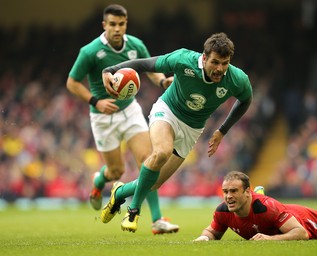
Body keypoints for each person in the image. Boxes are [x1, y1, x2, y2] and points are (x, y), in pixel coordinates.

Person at [100, 32, 253, 233]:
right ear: (204, 57)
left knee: (154, 183)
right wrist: (111, 70)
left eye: (224, 63)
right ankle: (133, 210)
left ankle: (119, 193)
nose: (219, 69)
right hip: (168, 111)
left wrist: (222, 131)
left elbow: (246, 100)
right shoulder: (183, 59)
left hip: (192, 129)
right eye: (215, 62)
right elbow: (145, 64)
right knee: (162, 152)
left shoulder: (237, 79)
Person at [66, 4, 179, 234]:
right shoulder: (90, 52)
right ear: (104, 25)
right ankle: (99, 182)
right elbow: (72, 83)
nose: (117, 29)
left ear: (126, 24)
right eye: (113, 24)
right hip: (102, 116)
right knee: (115, 171)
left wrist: (162, 81)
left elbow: (151, 68)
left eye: (121, 24)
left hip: (130, 111)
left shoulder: (135, 45)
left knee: (149, 159)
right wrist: (95, 101)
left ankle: (157, 220)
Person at [193, 171, 317, 241]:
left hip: (298, 218)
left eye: (233, 191)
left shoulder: (267, 208)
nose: (228, 196)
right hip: (269, 211)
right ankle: (260, 196)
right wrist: (204, 238)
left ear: (247, 191)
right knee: (262, 209)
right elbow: (211, 232)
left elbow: (301, 233)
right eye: (225, 192)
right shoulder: (223, 210)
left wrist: (270, 239)